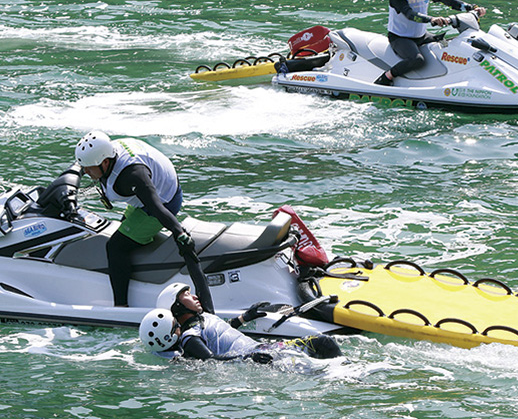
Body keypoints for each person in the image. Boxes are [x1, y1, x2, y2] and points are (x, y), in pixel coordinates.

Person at [74, 131, 212, 310]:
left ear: (105, 162)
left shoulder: (131, 176)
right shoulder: (106, 152)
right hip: (146, 194)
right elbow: (81, 166)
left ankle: (121, 306)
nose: (85, 172)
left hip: (164, 202)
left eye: (89, 168)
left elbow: (156, 207)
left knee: (116, 246)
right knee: (123, 229)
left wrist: (179, 233)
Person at [140, 282, 342, 363]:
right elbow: (212, 360)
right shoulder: (189, 337)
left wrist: (246, 317)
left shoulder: (203, 319)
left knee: (323, 346)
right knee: (324, 345)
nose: (194, 297)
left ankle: (345, 372)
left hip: (265, 349)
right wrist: (248, 356)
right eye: (186, 295)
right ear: (176, 307)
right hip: (262, 357)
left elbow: (221, 330)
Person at [375, 0, 487, 86]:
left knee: (448, 42)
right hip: (400, 37)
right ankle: (387, 77)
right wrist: (432, 19)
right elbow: (409, 14)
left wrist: (471, 7)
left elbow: (446, 0)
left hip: (420, 35)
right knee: (417, 60)